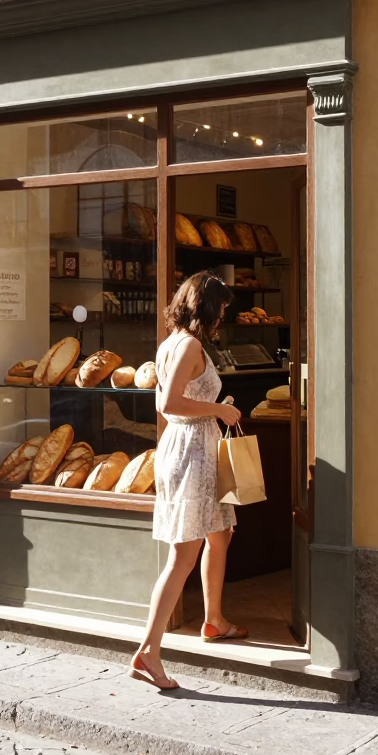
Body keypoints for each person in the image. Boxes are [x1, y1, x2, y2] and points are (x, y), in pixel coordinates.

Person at [129, 271, 247, 691]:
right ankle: (148, 651)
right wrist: (219, 410)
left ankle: (213, 620)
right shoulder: (190, 344)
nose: (223, 317)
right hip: (192, 451)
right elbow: (168, 402)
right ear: (207, 308)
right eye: (222, 309)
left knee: (221, 533)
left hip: (192, 447)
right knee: (183, 556)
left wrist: (212, 411)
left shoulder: (171, 342)